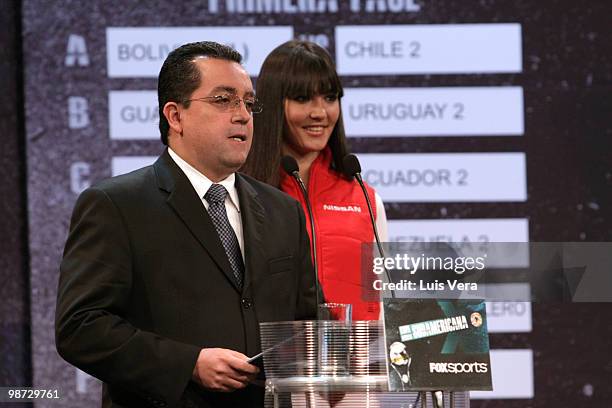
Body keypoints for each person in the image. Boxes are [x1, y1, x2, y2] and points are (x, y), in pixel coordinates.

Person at [55, 41, 318, 408]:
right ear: (175, 116)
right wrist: (189, 364)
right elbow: (81, 328)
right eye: (223, 100)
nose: (242, 114)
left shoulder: (283, 210)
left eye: (248, 102)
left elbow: (309, 322)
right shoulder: (117, 205)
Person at [241, 40, 388, 321]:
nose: (320, 112)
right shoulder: (237, 192)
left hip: (353, 363)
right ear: (272, 104)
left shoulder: (366, 200)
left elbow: (380, 305)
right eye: (302, 98)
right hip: (269, 362)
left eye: (330, 98)